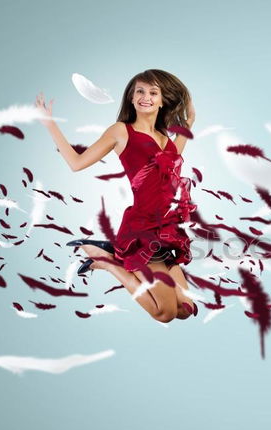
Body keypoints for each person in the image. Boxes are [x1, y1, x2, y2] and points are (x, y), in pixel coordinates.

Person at [36, 69, 196, 322]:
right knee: (165, 313)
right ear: (131, 98)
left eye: (154, 92)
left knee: (185, 310)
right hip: (143, 230)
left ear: (163, 99)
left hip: (167, 229)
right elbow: (76, 163)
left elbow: (173, 160)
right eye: (140, 91)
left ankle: (112, 255)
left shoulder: (165, 138)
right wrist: (50, 124)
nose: (146, 97)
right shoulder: (121, 131)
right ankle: (109, 263)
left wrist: (188, 123)